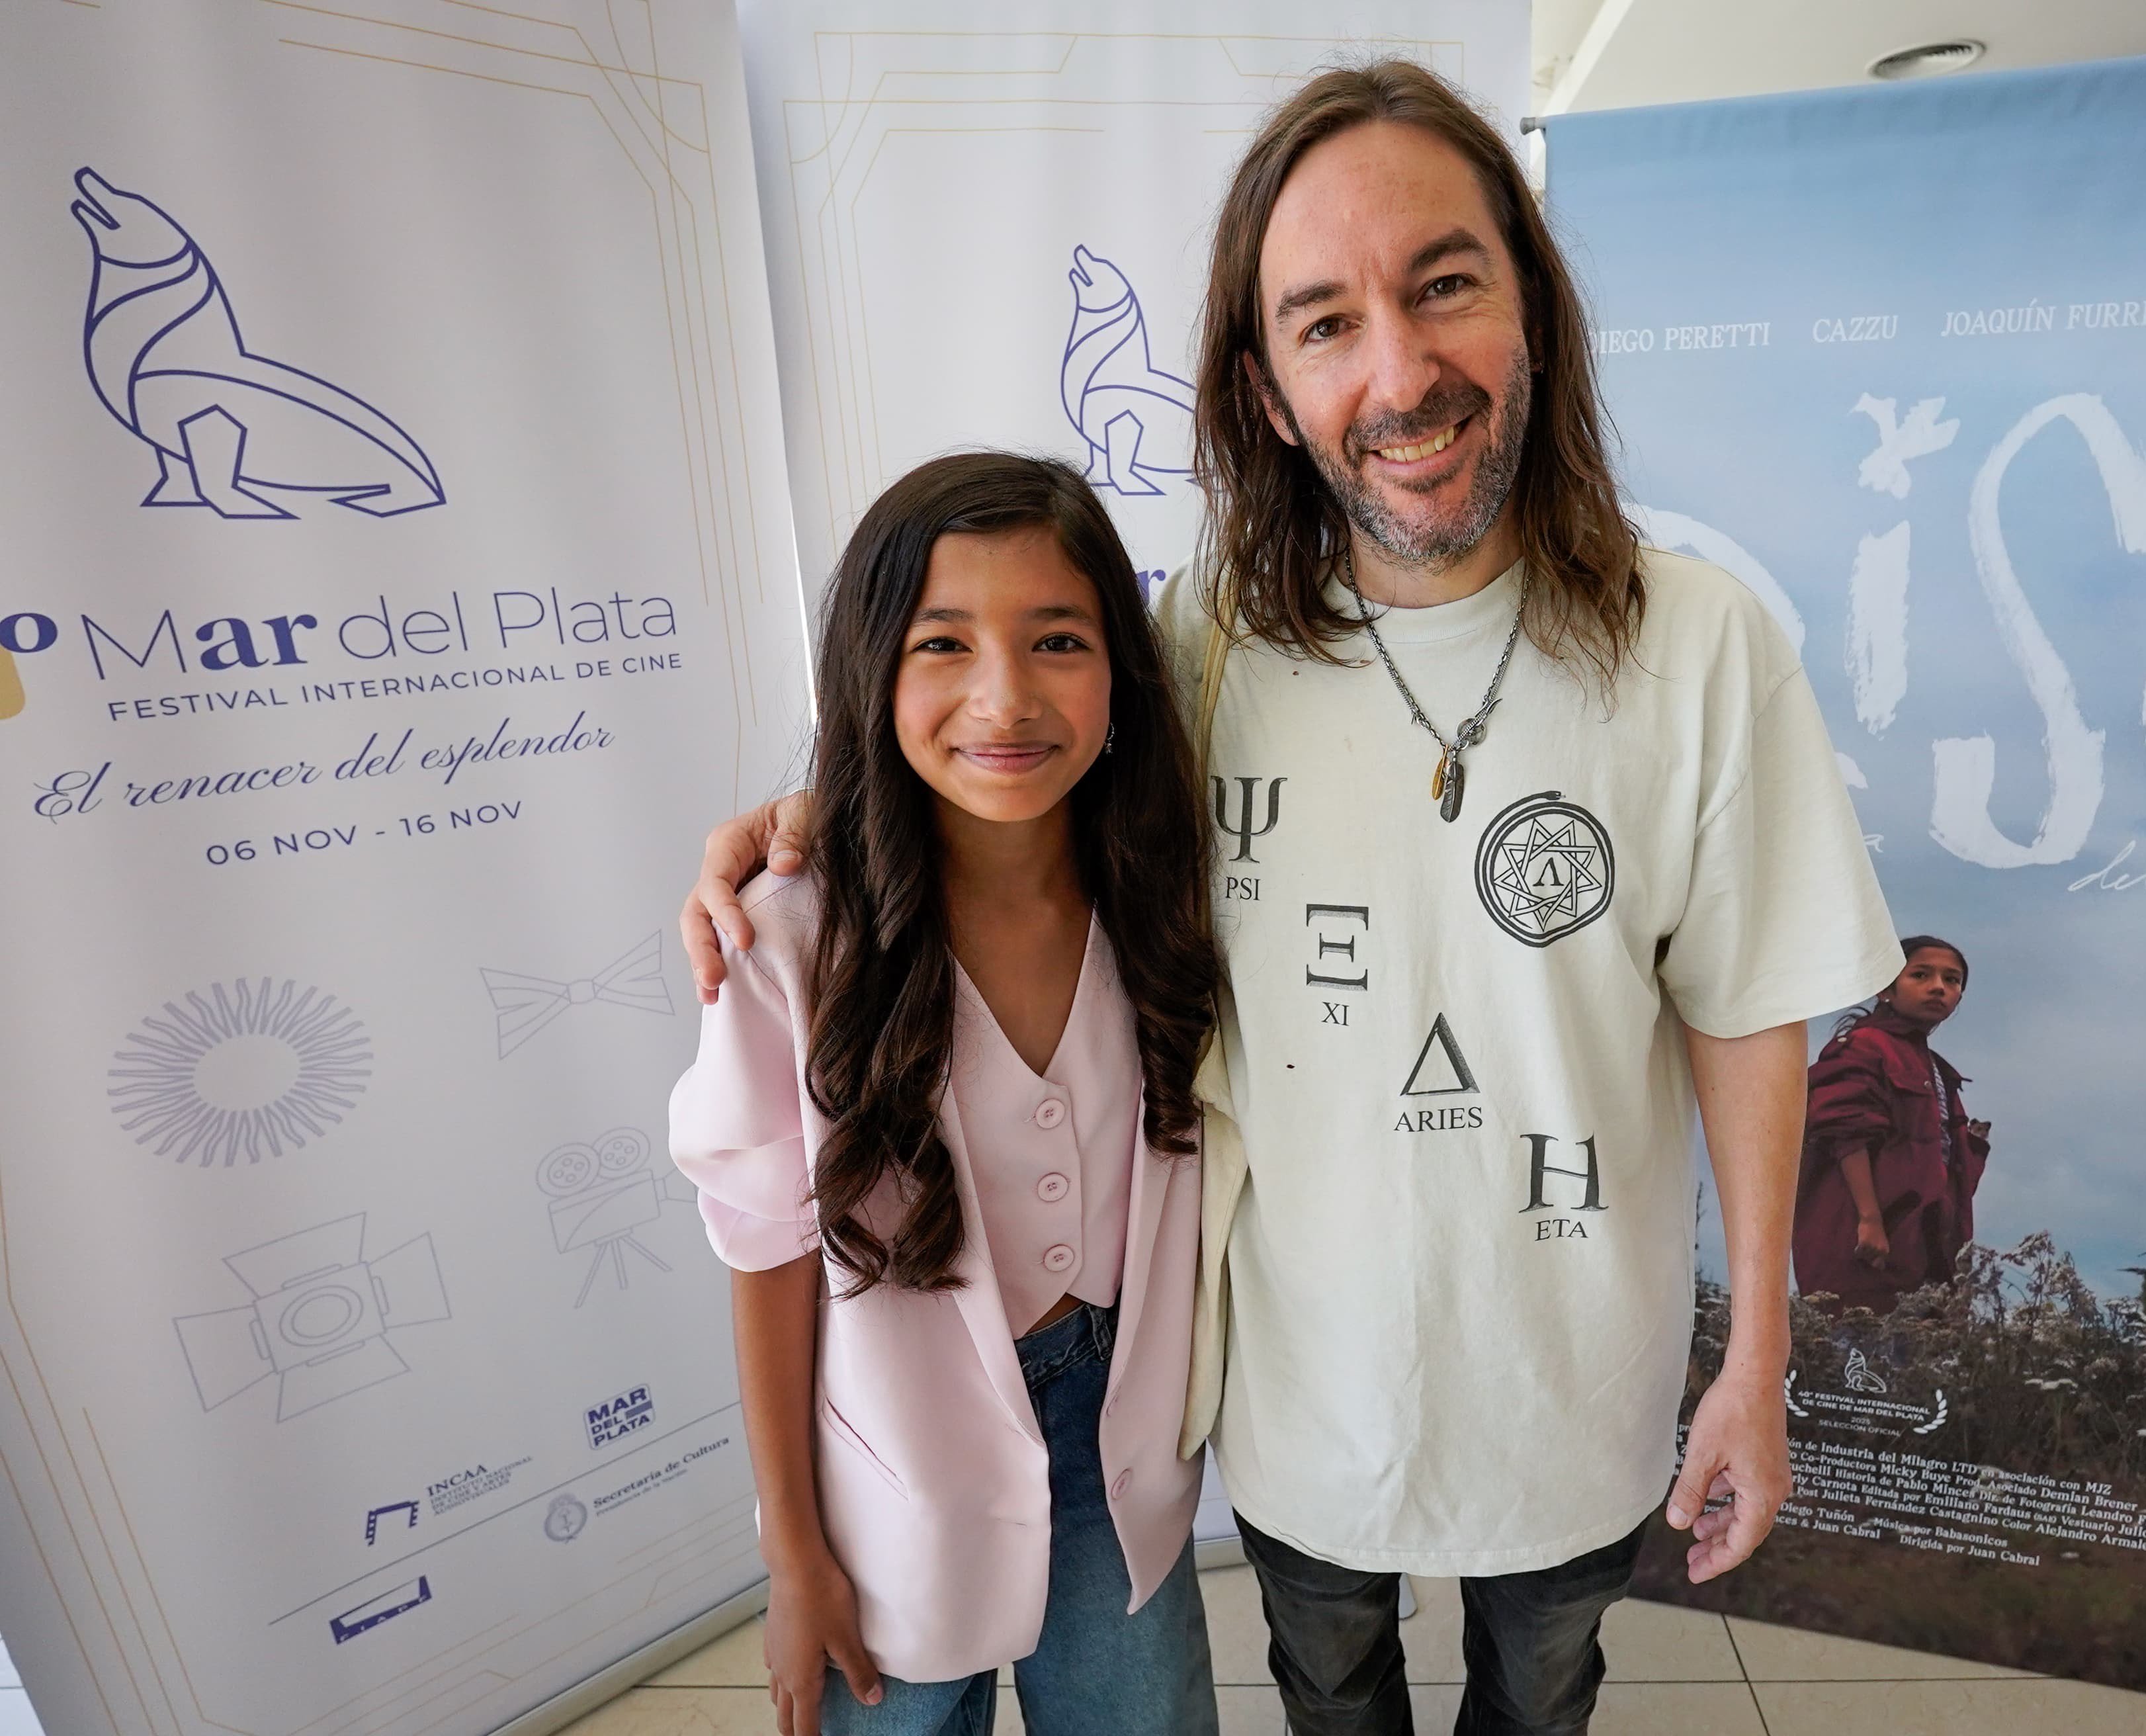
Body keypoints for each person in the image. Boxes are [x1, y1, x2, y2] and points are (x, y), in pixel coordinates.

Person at [684, 63, 1899, 1736]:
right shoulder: (1206, 648)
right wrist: (819, 820)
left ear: (1532, 309)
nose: (1398, 371)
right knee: (1328, 1692)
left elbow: (1749, 1012)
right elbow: (1013, 764)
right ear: (1265, 387)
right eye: (1326, 322)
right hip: (1300, 1388)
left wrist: (1753, 1355)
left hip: (1575, 1369)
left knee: (1542, 1693)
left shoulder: (1697, 646)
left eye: (1444, 286)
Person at [668, 453, 1219, 1736]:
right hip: (893, 1467)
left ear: (1121, 674)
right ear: (871, 666)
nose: (1005, 696)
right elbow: (767, 1252)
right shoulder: (790, 940)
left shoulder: (1165, 885)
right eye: (944, 643)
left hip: (1111, 1445)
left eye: (1058, 639)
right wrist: (794, 1550)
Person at [1793, 937, 1991, 1315]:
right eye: (1920, 974)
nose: (1938, 987)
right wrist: (1868, 1219)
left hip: (1926, 1254)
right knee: (1862, 1360)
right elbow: (1846, 1132)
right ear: (1885, 988)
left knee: (1919, 1364)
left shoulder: (1936, 1070)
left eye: (1952, 981)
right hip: (1865, 1247)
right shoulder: (1864, 1047)